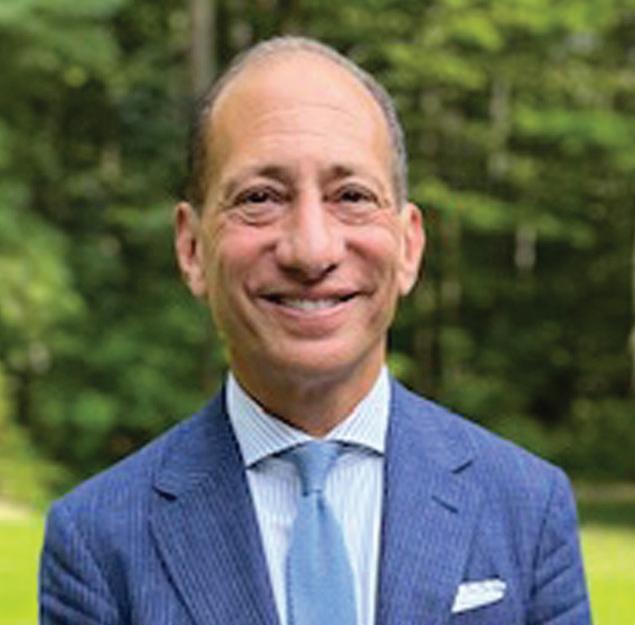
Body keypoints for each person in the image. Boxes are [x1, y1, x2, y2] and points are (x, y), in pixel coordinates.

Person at [39, 36, 592, 625]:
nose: (311, 249)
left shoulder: (527, 507)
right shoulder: (98, 542)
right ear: (192, 247)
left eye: (351, 196)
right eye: (260, 198)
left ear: (409, 246)